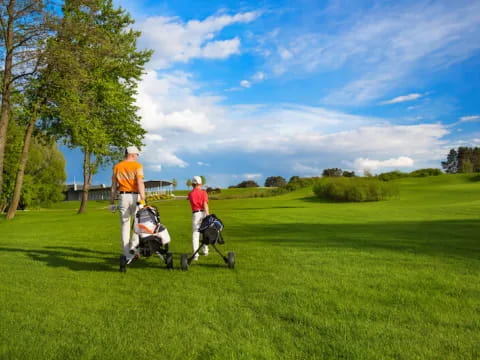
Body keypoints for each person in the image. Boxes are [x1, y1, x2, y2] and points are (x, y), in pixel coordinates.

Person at [110, 146, 146, 260]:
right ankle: (134, 250)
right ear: (132, 154)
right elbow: (140, 182)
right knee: (137, 224)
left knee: (125, 226)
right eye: (136, 155)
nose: (137, 157)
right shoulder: (137, 166)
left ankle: (127, 254)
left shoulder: (117, 167)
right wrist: (143, 197)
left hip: (122, 196)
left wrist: (111, 201)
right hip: (135, 196)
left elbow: (113, 187)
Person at [187, 176, 209, 260]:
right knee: (204, 232)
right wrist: (207, 214)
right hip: (203, 213)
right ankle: (205, 250)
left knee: (195, 234)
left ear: (192, 184)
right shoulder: (204, 193)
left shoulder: (190, 193)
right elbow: (205, 204)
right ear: (200, 184)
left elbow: (188, 197)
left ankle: (195, 255)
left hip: (195, 214)